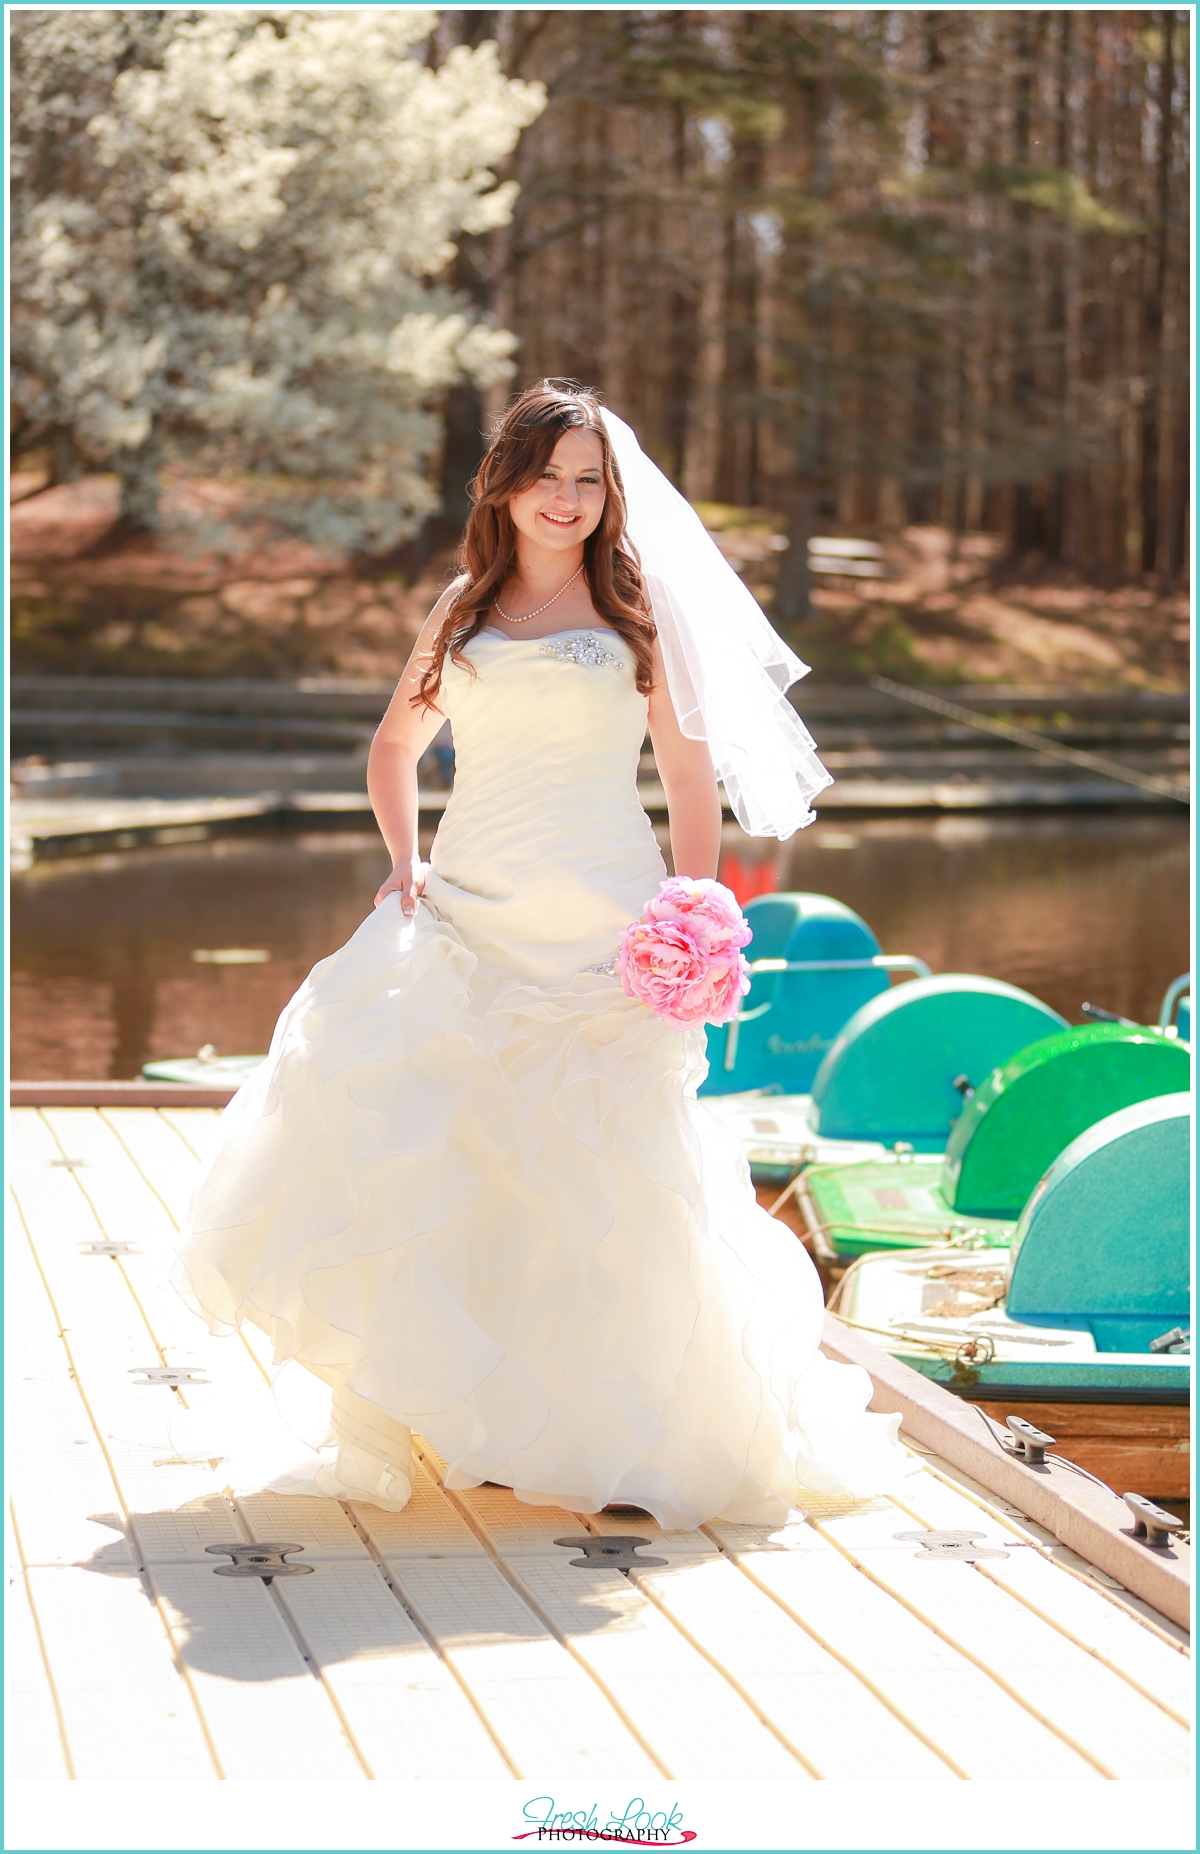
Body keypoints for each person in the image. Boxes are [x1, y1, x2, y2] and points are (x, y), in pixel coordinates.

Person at [173, 380, 903, 1527]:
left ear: (609, 496)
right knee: (464, 1160)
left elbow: (689, 771)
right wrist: (405, 861)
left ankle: (618, 1435)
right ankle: (486, 1424)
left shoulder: (638, 608)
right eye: (547, 476)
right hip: (470, 913)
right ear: (504, 484)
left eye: (588, 479)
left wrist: (693, 903)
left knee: (606, 1179)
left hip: (607, 925)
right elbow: (394, 745)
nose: (565, 499)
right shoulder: (463, 607)